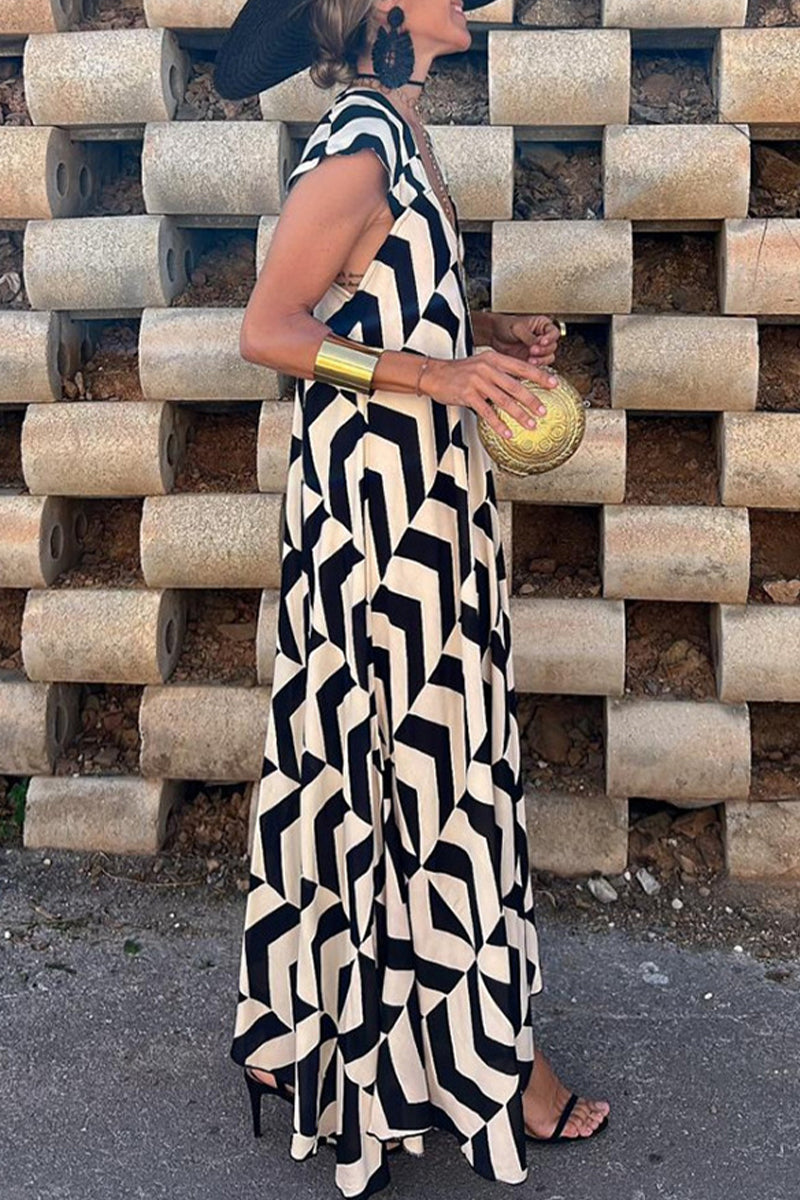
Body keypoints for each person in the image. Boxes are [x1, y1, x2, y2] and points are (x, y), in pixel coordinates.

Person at [214, 2, 610, 1197]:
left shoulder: (403, 130)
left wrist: (483, 336)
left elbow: (382, 303)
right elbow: (267, 330)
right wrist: (434, 374)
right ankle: (498, 1070)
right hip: (376, 528)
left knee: (388, 774)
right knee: (438, 784)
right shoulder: (355, 145)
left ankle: (300, 1035)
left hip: (425, 505)